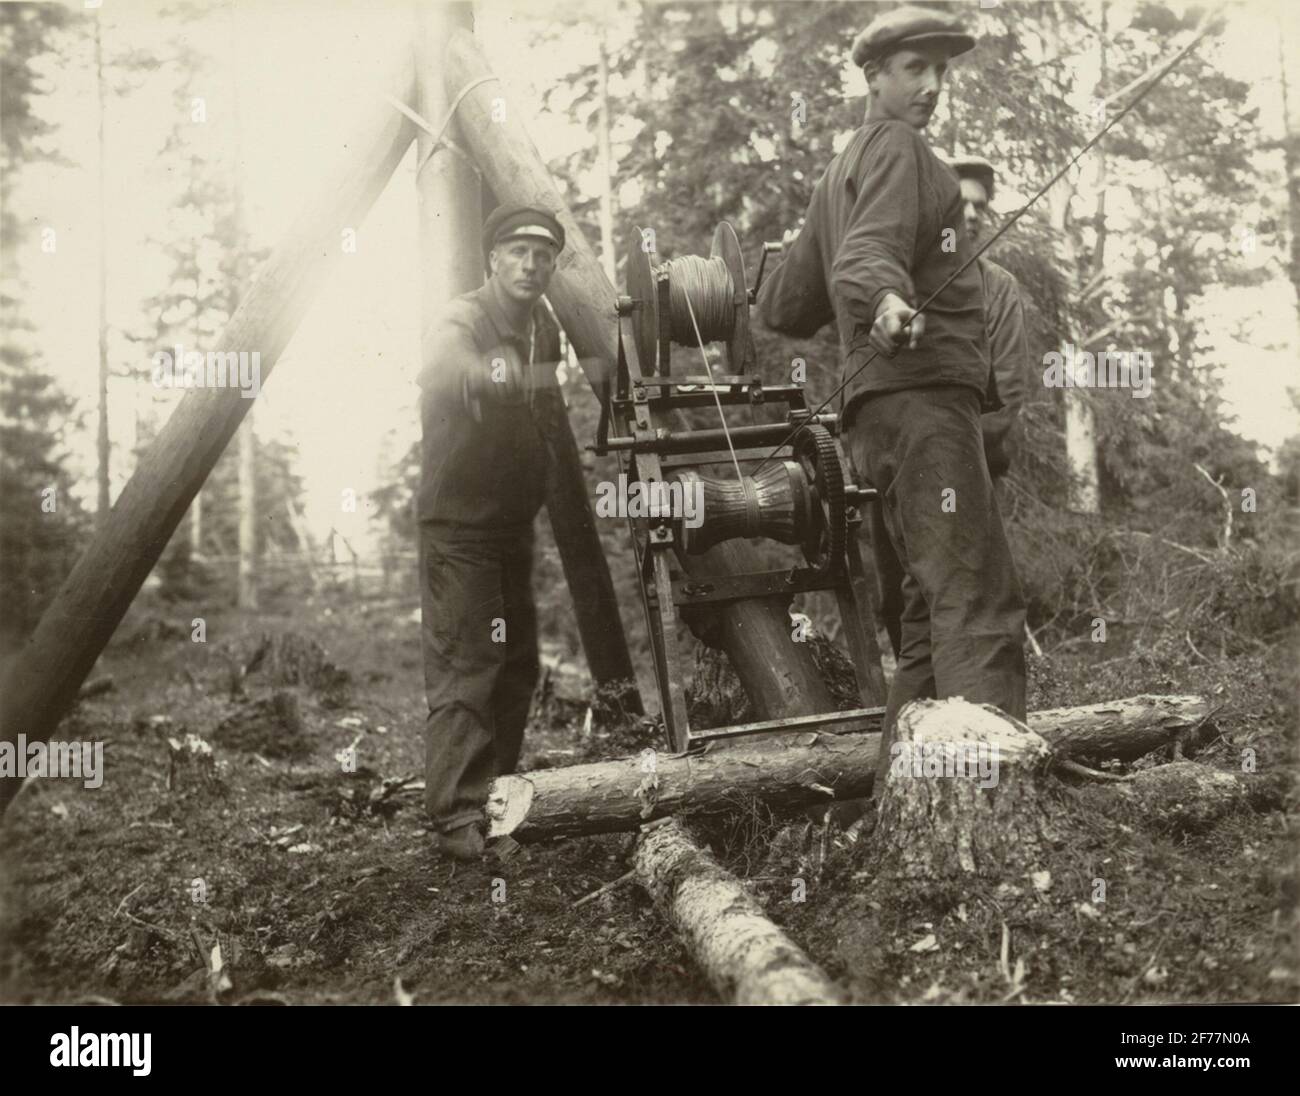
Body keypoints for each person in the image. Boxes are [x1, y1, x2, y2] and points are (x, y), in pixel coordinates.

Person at [756, 6, 1027, 775]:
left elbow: (785, 306)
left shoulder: (840, 171)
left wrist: (797, 255)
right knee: (974, 598)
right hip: (926, 407)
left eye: (942, 70)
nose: (934, 86)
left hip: (872, 422)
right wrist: (883, 300)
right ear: (873, 76)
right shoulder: (904, 149)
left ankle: (900, 801)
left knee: (923, 614)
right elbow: (865, 260)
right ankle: (988, 796)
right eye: (916, 69)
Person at [415, 203, 565, 860]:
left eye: (543, 256)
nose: (531, 265)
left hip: (509, 527)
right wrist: (488, 375)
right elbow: (449, 366)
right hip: (460, 529)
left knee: (517, 666)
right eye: (518, 253)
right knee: (468, 664)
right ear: (493, 260)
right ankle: (455, 821)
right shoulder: (464, 319)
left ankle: (494, 804)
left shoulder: (544, 329)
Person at [868, 151, 1030, 659]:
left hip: (966, 467)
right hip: (895, 470)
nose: (974, 214)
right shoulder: (895, 290)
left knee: (964, 596)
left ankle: (967, 716)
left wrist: (952, 456)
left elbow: (1008, 395)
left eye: (982, 206)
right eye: (962, 203)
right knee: (898, 597)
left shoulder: (998, 290)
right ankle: (919, 713)